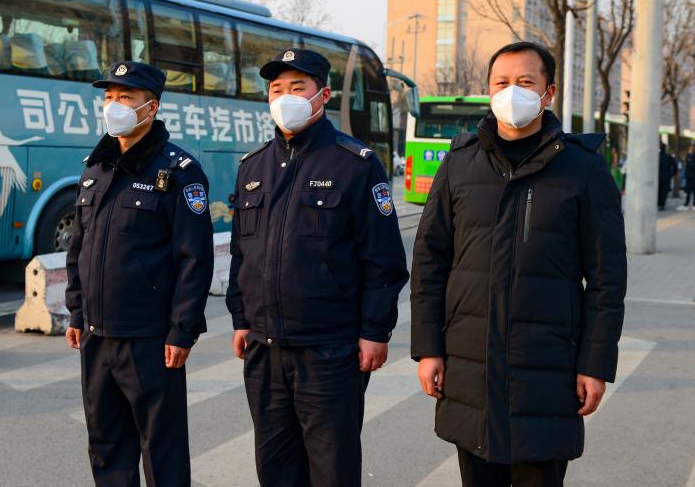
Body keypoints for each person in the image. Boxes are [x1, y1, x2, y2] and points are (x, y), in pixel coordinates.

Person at [411, 41, 627, 487]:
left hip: (548, 369)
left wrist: (595, 363)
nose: (512, 92)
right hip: (470, 367)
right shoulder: (459, 163)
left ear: (549, 93)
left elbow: (607, 279)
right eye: (502, 82)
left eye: (526, 82)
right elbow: (429, 263)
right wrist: (428, 348)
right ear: (489, 90)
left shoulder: (582, 169)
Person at [226, 48, 409, 487]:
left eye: (297, 87)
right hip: (264, 349)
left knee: (332, 470)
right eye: (276, 89)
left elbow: (383, 258)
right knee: (276, 469)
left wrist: (375, 331)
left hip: (330, 351)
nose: (285, 97)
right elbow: (241, 252)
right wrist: (241, 318)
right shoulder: (253, 167)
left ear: (322, 95)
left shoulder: (354, 163)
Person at [64, 61, 214, 486]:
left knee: (162, 449)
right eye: (109, 97)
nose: (114, 105)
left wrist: (182, 331)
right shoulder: (96, 168)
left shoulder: (179, 172)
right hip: (97, 335)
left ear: (151, 107)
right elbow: (78, 247)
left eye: (125, 97)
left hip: (150, 339)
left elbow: (195, 258)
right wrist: (76, 311)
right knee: (107, 445)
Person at [678, 143, 695, 211]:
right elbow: (687, 161)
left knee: (691, 191)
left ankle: (690, 204)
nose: (690, 148)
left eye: (691, 147)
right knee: (691, 191)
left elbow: (691, 164)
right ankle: (691, 204)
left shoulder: (694, 155)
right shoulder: (691, 155)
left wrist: (689, 157)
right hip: (691, 176)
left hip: (693, 176)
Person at [657, 141, 677, 211]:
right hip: (666, 177)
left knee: (658, 190)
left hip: (658, 177)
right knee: (664, 191)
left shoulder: (657, 156)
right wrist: (672, 174)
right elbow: (675, 166)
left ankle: (658, 203)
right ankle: (662, 204)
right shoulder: (669, 156)